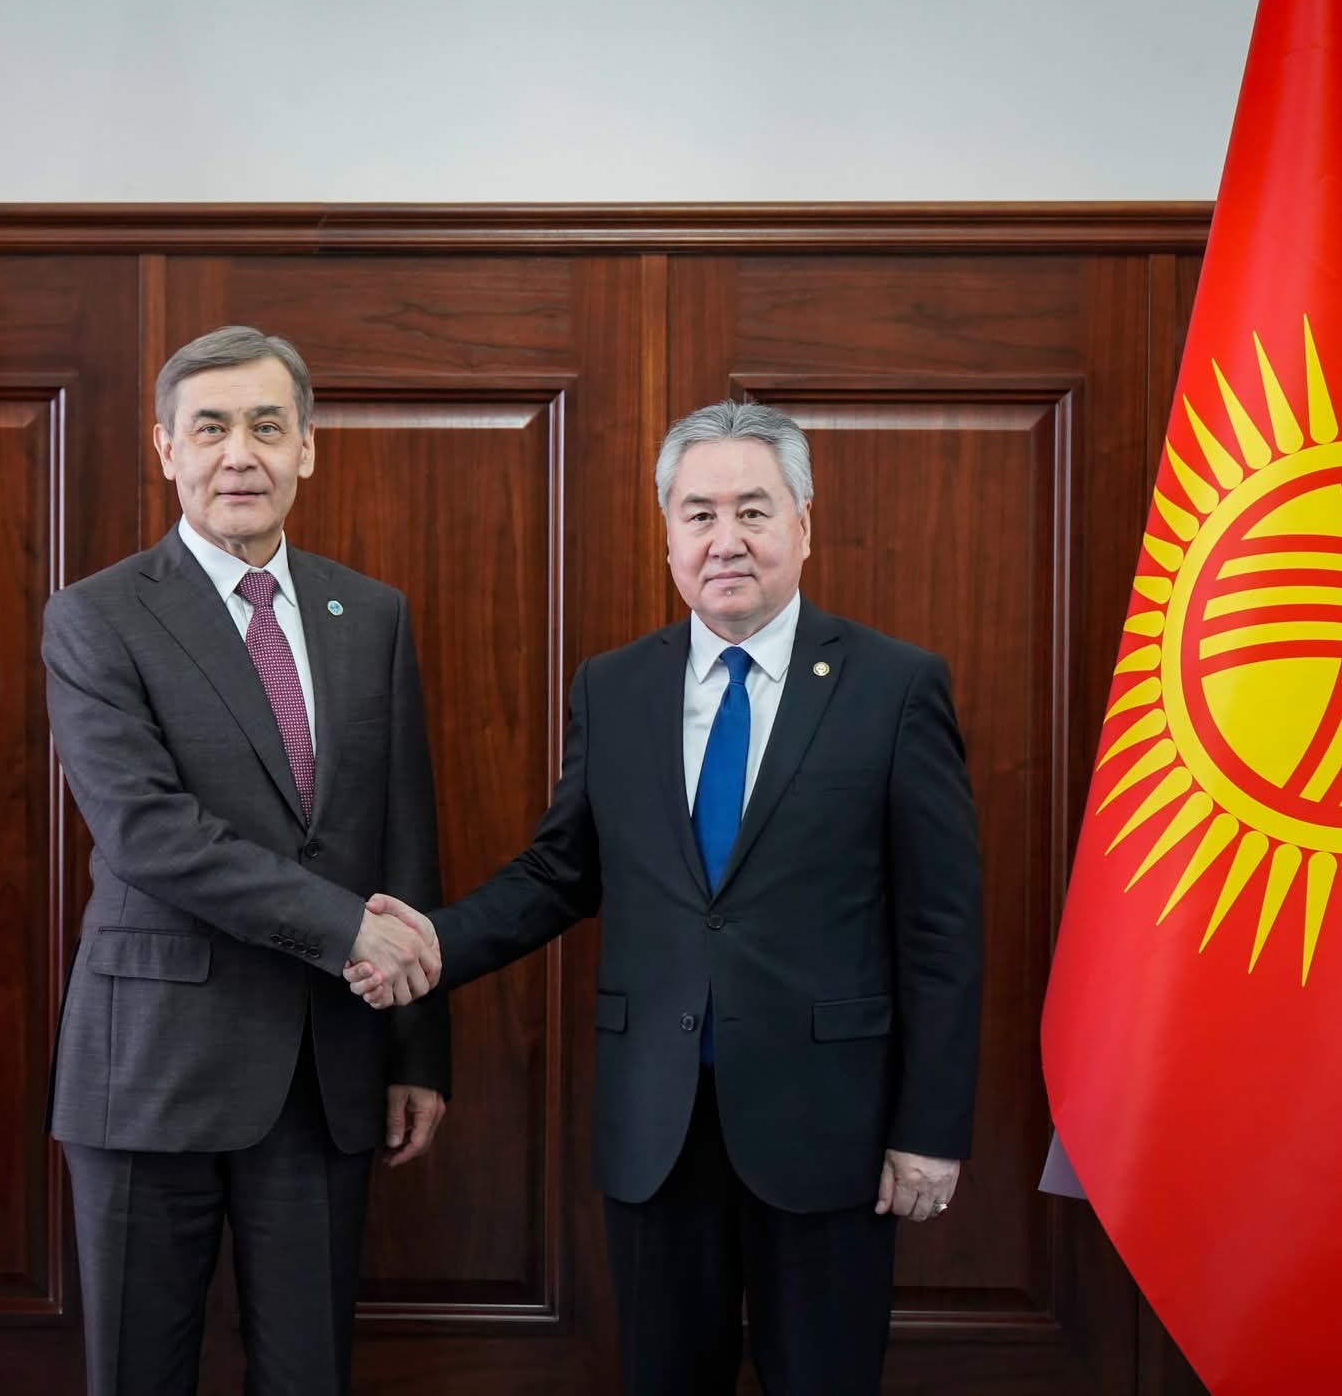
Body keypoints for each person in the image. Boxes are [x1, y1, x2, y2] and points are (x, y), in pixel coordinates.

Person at [351, 400, 982, 1393]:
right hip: (657, 1123)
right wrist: (430, 941)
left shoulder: (894, 686)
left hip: (831, 1127)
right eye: (698, 514)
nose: (725, 539)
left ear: (802, 525)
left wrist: (930, 1127)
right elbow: (558, 872)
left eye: (752, 511)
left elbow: (942, 929)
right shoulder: (614, 688)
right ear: (668, 537)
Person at [43, 325, 449, 1395]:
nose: (240, 454)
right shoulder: (95, 617)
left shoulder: (370, 615)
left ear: (306, 447)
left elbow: (404, 838)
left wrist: (416, 1048)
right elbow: (148, 832)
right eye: (211, 427)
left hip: (325, 1073)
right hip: (149, 1070)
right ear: (165, 448)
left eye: (267, 427)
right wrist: (345, 928)